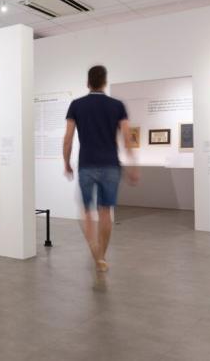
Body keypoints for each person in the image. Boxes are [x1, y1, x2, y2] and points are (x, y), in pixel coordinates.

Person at [63, 65, 139, 273]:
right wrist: (132, 165)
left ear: (88, 82)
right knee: (105, 211)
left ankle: (94, 250)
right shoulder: (117, 106)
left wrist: (66, 162)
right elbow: (126, 137)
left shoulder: (76, 105)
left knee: (87, 212)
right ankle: (102, 257)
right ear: (105, 82)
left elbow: (68, 139)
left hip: (87, 164)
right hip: (111, 166)